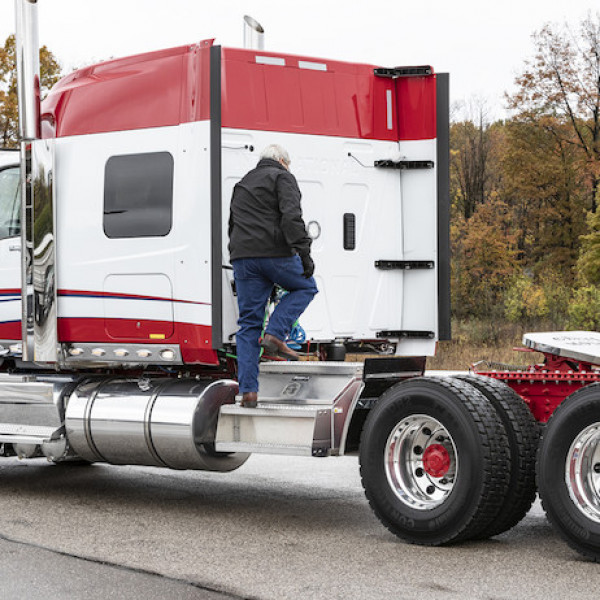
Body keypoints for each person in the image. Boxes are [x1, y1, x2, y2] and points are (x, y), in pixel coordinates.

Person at [228, 144, 318, 408]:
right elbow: (292, 217)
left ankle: (248, 392)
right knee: (306, 288)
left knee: (248, 324)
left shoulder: (242, 184)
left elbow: (232, 225)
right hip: (275, 254)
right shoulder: (282, 177)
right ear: (281, 160)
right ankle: (276, 334)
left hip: (244, 258)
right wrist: (304, 254)